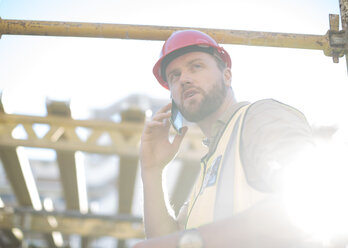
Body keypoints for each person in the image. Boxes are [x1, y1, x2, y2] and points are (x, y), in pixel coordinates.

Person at [135, 30, 316, 248]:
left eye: (196, 66)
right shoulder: (206, 173)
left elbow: (308, 200)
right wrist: (152, 169)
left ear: (227, 76)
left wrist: (191, 241)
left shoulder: (259, 117)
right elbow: (164, 242)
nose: (184, 79)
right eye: (175, 75)